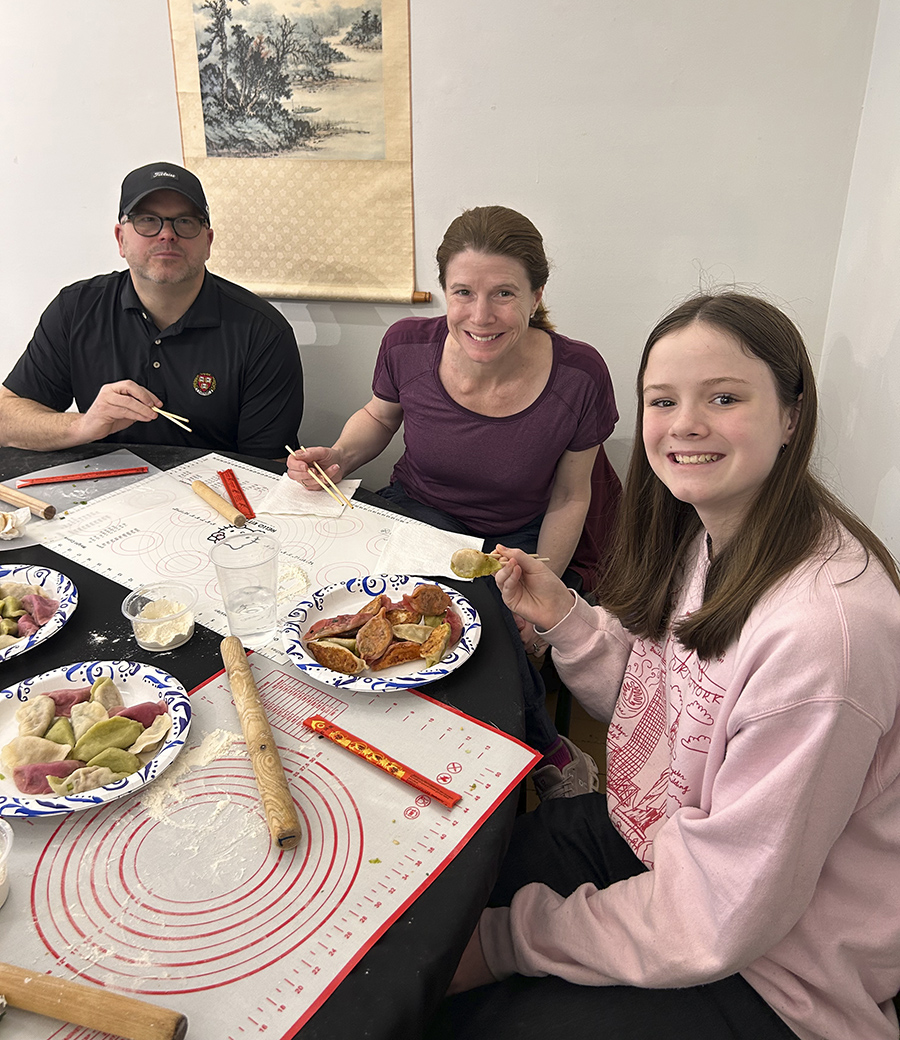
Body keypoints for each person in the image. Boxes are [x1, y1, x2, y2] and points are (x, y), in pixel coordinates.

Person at [434, 291, 900, 1040]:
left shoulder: (823, 633)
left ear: (791, 415)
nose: (685, 424)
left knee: (469, 1010)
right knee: (446, 889)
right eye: (663, 400)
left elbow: (719, 916)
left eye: (724, 398)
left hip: (776, 973)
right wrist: (566, 618)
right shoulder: (708, 531)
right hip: (664, 838)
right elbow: (669, 709)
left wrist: (503, 945)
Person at [288, 205, 619, 797]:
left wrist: (542, 583)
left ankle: (547, 754)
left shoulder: (580, 373)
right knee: (348, 605)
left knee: (485, 628)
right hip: (415, 513)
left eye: (504, 294)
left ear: (537, 295)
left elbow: (573, 495)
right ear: (444, 290)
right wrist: (337, 455)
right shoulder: (406, 344)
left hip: (516, 535)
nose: (481, 315)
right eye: (463, 292)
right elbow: (379, 418)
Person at [0, 161, 304, 460]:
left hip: (216, 490)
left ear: (208, 242)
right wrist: (83, 425)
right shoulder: (76, 308)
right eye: (147, 220)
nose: (167, 234)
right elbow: (6, 417)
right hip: (100, 487)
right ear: (121, 238)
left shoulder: (262, 331)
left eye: (185, 221)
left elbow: (269, 467)